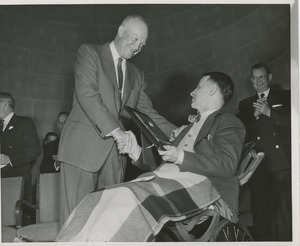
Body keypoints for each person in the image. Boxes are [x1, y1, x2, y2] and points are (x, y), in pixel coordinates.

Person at [56, 71, 246, 242]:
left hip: (202, 187)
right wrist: (135, 150)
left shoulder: (228, 122)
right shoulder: (186, 128)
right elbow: (162, 167)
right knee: (101, 195)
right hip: (167, 181)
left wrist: (179, 155)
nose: (192, 92)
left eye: (198, 87)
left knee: (126, 194)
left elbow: (227, 165)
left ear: (213, 90)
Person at [57, 15, 176, 226]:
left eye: (142, 44)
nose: (137, 47)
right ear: (121, 30)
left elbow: (148, 113)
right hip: (81, 149)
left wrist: (179, 132)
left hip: (114, 157)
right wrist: (117, 131)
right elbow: (87, 94)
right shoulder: (90, 52)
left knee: (109, 223)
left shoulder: (137, 74)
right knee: (74, 222)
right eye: (134, 38)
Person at [238, 63, 292, 241]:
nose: (258, 81)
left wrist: (269, 113)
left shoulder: (286, 96)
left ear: (269, 77)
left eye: (261, 77)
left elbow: (294, 123)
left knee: (285, 214)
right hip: (258, 166)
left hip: (282, 163)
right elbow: (242, 135)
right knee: (261, 213)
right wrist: (253, 117)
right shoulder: (245, 105)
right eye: (254, 78)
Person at [0, 92, 41, 201]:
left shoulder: (24, 122)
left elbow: (35, 150)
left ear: (4, 104)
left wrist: (10, 159)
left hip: (16, 178)